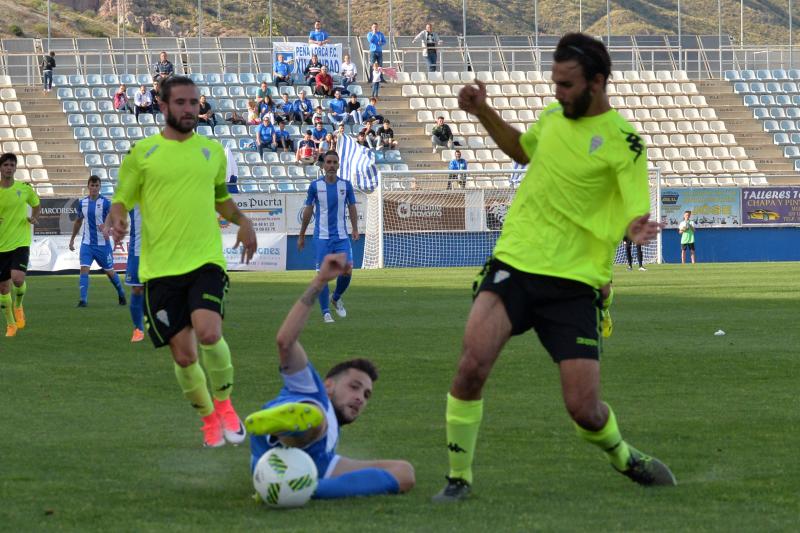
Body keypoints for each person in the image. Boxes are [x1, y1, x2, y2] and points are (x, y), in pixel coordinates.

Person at [432, 33, 674, 503]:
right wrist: (481, 111)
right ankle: (458, 478)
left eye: (566, 84)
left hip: (574, 282)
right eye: (554, 83)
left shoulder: (625, 143)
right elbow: (522, 151)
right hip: (516, 263)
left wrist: (633, 229)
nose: (556, 93)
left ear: (597, 83)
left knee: (584, 410)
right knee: (470, 366)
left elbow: (633, 208)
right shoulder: (551, 118)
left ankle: (624, 456)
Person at [108, 75, 258, 448]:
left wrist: (243, 220)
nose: (190, 109)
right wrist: (117, 214)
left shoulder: (212, 152)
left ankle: (224, 405)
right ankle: (208, 418)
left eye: (195, 102)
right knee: (185, 355)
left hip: (205, 260)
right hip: (159, 270)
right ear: (163, 106)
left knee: (209, 332)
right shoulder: (141, 153)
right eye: (182, 103)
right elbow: (122, 197)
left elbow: (220, 197)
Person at [246, 253, 414, 499]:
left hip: (308, 464)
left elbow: (402, 476)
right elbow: (285, 341)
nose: (360, 398)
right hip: (286, 438)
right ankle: (286, 427)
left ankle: (301, 486)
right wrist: (320, 281)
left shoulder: (330, 444)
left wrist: (305, 488)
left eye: (366, 395)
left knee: (404, 472)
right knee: (316, 413)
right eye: (354, 387)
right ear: (329, 384)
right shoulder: (311, 386)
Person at [297, 151, 359, 323]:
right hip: (322, 238)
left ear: (338, 165)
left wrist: (355, 228)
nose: (331, 165)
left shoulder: (346, 186)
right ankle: (326, 312)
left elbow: (352, 206)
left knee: (347, 269)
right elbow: (308, 210)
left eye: (334, 162)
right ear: (323, 165)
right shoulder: (315, 186)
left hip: (341, 237)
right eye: (328, 162)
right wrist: (302, 235)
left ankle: (336, 297)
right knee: (323, 275)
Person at [69, 175, 127, 308]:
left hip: (103, 245)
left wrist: (108, 227)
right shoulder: (82, 203)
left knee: (110, 272)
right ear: (88, 186)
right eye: (92, 185)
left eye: (96, 185)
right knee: (84, 269)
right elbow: (78, 221)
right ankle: (83, 300)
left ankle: (121, 292)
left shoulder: (106, 203)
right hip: (87, 244)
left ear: (100, 187)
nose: (94, 188)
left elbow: (114, 218)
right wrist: (72, 239)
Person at [0, 153, 40, 337]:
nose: (9, 167)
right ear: (1, 168)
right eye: (6, 164)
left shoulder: (24, 189)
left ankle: (19, 304)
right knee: (3, 288)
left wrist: (34, 217)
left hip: (20, 242)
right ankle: (10, 324)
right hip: (2, 245)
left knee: (17, 279)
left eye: (12, 165)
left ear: (16, 168)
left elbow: (36, 204)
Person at [126, 206, 145, 343]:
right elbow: (118, 206)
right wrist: (109, 224)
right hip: (137, 248)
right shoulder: (133, 191)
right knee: (137, 288)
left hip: (160, 247)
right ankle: (138, 329)